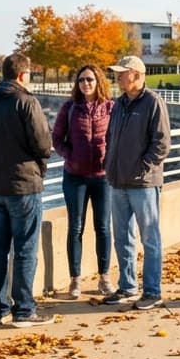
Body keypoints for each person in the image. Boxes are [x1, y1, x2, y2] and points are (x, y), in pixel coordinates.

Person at [0, 52, 54, 326]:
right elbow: (43, 144)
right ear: (22, 75)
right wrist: (38, 164)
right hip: (24, 185)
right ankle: (24, 309)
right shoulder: (26, 102)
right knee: (26, 247)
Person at [103, 55, 171, 310]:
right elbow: (111, 138)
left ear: (137, 75)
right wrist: (109, 165)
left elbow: (162, 143)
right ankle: (128, 286)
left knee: (150, 238)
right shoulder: (119, 104)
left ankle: (152, 291)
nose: (117, 76)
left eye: (122, 72)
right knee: (122, 237)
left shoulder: (153, 102)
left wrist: (142, 168)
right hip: (117, 182)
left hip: (143, 184)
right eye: (117, 73)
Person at [52, 65, 114, 299]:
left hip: (102, 178)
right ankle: (75, 280)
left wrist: (110, 159)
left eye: (89, 79)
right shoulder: (69, 108)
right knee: (75, 227)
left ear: (98, 81)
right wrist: (69, 155)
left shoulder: (111, 107)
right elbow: (56, 138)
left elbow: (116, 137)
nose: (85, 84)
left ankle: (104, 277)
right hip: (75, 177)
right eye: (81, 80)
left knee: (103, 227)